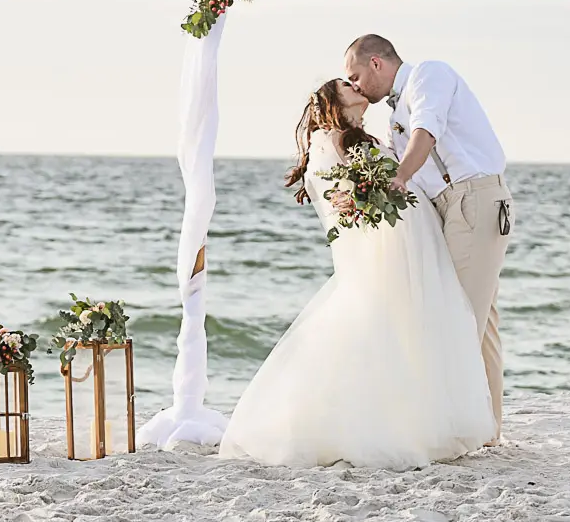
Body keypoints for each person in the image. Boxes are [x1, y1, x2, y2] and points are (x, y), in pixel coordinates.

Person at [218, 80, 492, 468]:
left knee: (412, 334)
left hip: (414, 244)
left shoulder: (362, 137)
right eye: (347, 85)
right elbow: (342, 205)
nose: (357, 86)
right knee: (381, 331)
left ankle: (418, 420)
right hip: (389, 253)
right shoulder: (329, 142)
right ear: (333, 101)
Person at [342, 34, 511, 443]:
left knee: (458, 320)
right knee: (480, 320)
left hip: (474, 197)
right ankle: (486, 428)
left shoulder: (428, 76)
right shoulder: (394, 113)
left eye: (356, 75)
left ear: (378, 64)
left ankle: (456, 430)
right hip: (450, 207)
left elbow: (426, 133)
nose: (357, 85)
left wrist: (400, 175)